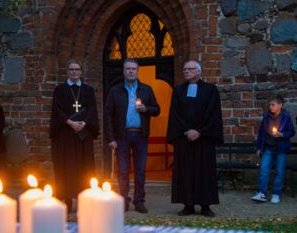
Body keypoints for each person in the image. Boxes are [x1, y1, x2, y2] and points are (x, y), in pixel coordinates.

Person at [166, 60, 223, 217]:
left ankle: (205, 205)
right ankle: (188, 205)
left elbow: (213, 113)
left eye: (190, 69)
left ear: (198, 71)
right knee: (185, 171)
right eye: (185, 69)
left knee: (204, 171)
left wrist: (199, 131)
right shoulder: (178, 91)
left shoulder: (210, 90)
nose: (186, 72)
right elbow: (175, 114)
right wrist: (186, 131)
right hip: (184, 139)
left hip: (204, 139)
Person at [105, 58, 160, 213]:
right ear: (123, 71)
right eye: (128, 69)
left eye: (133, 69)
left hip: (140, 135)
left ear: (137, 71)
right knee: (122, 171)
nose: (131, 71)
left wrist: (146, 109)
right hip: (122, 136)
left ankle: (139, 201)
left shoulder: (146, 89)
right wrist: (110, 138)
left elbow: (157, 109)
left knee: (140, 170)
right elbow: (108, 115)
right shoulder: (115, 91)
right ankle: (123, 201)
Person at [50, 59, 99, 212]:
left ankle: (83, 200)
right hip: (66, 134)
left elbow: (92, 109)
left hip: (83, 135)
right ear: (67, 72)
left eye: (77, 69)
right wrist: (71, 123)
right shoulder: (60, 90)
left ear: (81, 72)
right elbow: (57, 111)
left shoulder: (88, 90)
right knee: (67, 167)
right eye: (71, 69)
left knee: (84, 168)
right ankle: (67, 199)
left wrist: (84, 124)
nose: (74, 72)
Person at [251, 95, 295, 204]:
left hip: (281, 149)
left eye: (273, 105)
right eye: (270, 105)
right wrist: (259, 148)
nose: (270, 107)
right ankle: (262, 193)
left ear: (280, 105)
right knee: (264, 170)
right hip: (268, 148)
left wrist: (282, 134)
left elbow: (292, 132)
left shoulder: (286, 117)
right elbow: (261, 133)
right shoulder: (266, 117)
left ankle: (276, 193)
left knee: (279, 172)